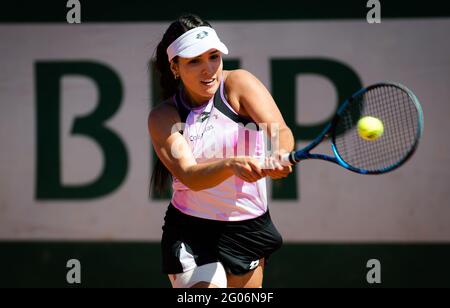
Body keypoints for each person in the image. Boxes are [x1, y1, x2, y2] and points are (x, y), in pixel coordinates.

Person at [148, 14, 295, 288]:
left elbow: (280, 131)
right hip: (191, 231)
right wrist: (231, 165)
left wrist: (280, 153)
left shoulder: (239, 84)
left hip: (248, 227)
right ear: (175, 67)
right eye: (195, 61)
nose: (209, 69)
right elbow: (190, 175)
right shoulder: (163, 116)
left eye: (214, 56)